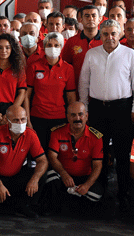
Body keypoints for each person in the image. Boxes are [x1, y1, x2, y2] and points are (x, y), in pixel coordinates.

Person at [79, 19, 134, 211]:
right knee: (98, 154)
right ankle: (98, 193)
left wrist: (133, 110)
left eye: (113, 33)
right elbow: (84, 82)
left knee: (122, 154)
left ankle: (124, 194)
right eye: (105, 34)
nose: (109, 37)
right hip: (97, 110)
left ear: (120, 34)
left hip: (122, 109)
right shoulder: (91, 54)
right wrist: (84, 107)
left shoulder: (130, 55)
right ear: (100, 35)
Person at [0, 105, 47, 218]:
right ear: (7, 120)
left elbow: (42, 160)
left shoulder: (30, 134)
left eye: (23, 119)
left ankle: (23, 206)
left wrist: (35, 179)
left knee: (41, 173)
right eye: (16, 120)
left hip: (16, 177)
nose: (20, 123)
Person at [45, 102, 103, 213]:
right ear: (67, 117)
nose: (77, 118)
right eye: (73, 115)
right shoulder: (57, 132)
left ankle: (68, 204)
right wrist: (63, 173)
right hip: (63, 176)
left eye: (80, 114)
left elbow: (97, 165)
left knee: (95, 195)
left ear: (86, 116)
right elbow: (52, 157)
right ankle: (64, 205)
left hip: (84, 178)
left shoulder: (96, 137)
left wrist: (87, 185)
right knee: (49, 176)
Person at [24, 32, 76, 149]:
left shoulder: (68, 69)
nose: (53, 48)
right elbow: (26, 96)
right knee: (39, 154)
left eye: (56, 45)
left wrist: (72, 120)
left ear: (61, 47)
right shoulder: (34, 67)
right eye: (49, 45)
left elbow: (71, 97)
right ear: (44, 47)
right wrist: (28, 120)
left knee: (57, 154)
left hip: (59, 118)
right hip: (37, 117)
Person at [62, 5, 103, 84]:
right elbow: (65, 67)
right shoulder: (71, 42)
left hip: (100, 89)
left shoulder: (105, 41)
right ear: (80, 19)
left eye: (94, 16)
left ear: (100, 19)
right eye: (87, 16)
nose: (90, 19)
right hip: (76, 88)